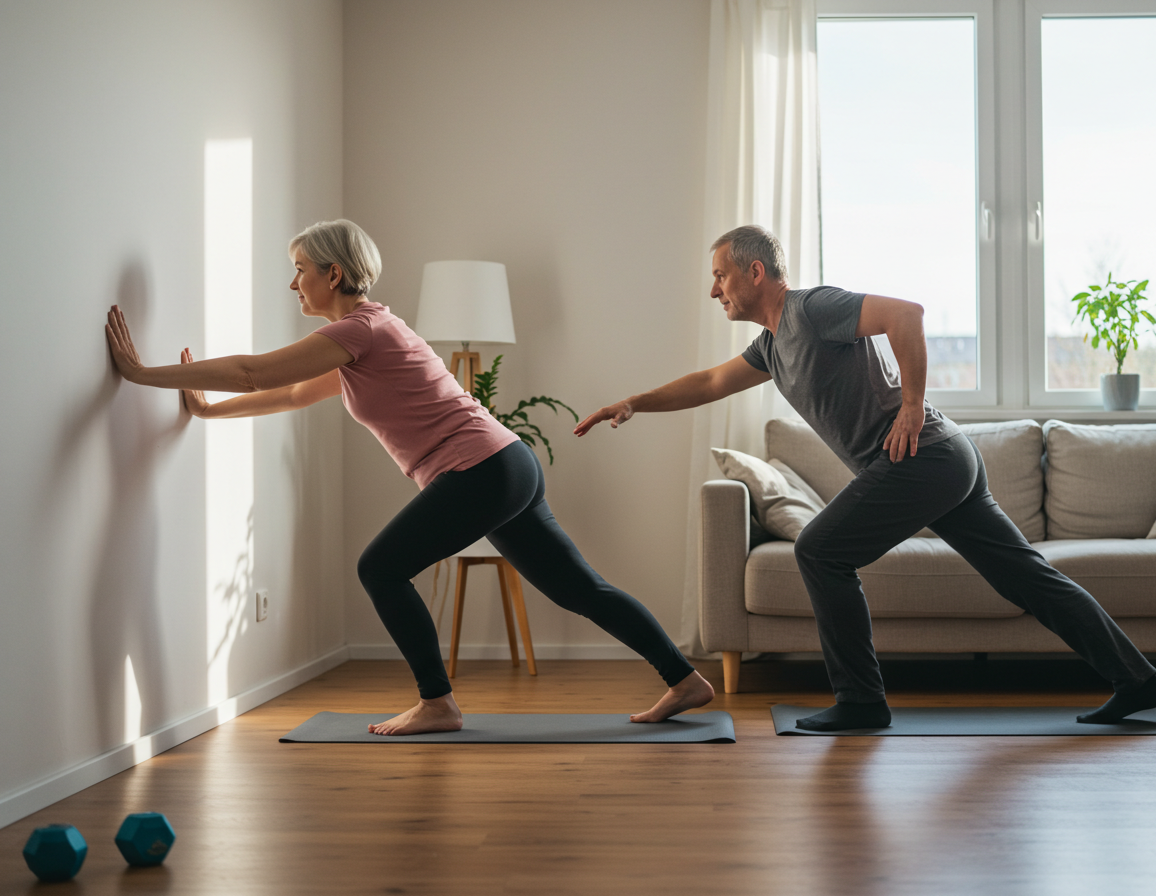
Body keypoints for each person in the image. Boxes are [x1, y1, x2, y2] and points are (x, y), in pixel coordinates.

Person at [105, 218, 713, 735]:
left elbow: (250, 370)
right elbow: (289, 393)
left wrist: (141, 374)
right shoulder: (367, 334)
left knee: (380, 568)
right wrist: (207, 410)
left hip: (480, 468)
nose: (293, 282)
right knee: (580, 589)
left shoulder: (357, 331)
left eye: (299, 270)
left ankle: (436, 702)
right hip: (506, 463)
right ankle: (685, 681)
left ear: (333, 274)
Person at [574, 224, 1156, 731]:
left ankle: (860, 699)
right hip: (940, 462)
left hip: (925, 457)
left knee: (820, 550)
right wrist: (633, 402)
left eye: (720, 276)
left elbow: (904, 314)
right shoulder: (772, 346)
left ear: (755, 272)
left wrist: (913, 404)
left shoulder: (812, 307)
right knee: (1026, 578)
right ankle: (1137, 679)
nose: (713, 290)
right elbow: (707, 384)